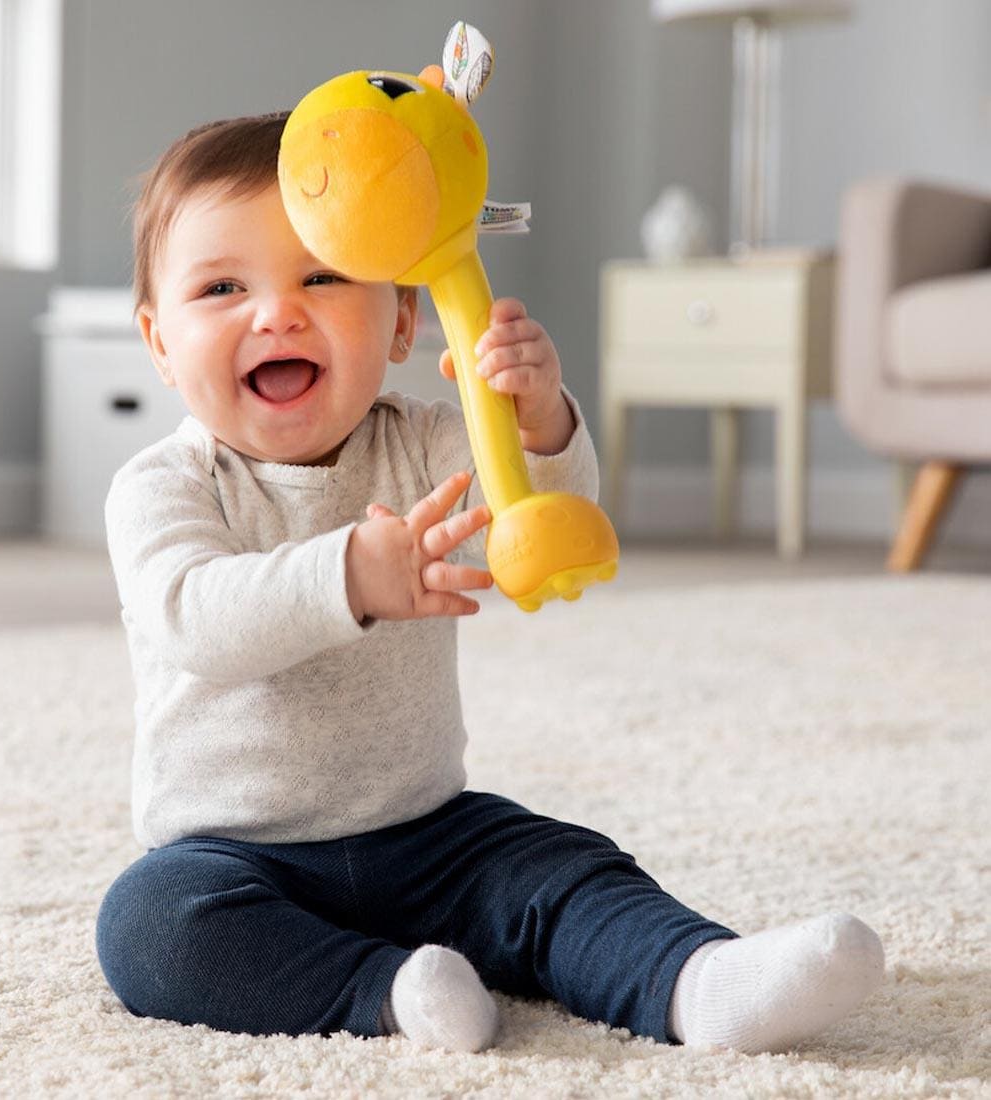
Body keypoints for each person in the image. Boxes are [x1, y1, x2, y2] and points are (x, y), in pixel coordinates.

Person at [96, 112, 884, 1055]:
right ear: (158, 340)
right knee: (146, 926)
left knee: (563, 866)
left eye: (323, 275)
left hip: (428, 833)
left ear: (398, 318)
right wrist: (348, 575)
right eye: (222, 287)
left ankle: (699, 981)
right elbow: (196, 619)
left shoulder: (427, 439)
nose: (277, 313)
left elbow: (542, 523)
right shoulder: (163, 486)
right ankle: (387, 991)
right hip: (235, 854)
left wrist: (539, 418)